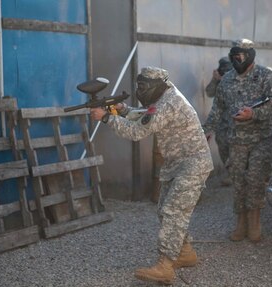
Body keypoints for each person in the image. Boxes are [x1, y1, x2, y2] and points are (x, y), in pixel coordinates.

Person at [90, 66, 213, 285]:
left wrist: (106, 118)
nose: (140, 90)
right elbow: (146, 115)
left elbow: (137, 131)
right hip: (177, 163)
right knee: (165, 210)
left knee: (173, 210)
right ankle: (184, 252)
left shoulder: (168, 103)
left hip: (193, 164)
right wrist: (122, 108)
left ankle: (165, 266)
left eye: (143, 86)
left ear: (156, 86)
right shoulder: (165, 96)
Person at [203, 38, 272, 243]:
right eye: (234, 56)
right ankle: (241, 223)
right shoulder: (227, 80)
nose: (238, 60)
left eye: (242, 56)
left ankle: (254, 223)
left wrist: (253, 114)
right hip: (236, 139)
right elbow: (218, 108)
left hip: (260, 138)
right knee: (238, 180)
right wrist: (207, 129)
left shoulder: (266, 76)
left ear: (251, 55)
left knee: (255, 179)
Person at [205, 57, 234, 186]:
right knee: (222, 146)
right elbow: (209, 92)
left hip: (235, 120)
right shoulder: (218, 77)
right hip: (221, 121)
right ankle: (230, 173)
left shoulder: (237, 78)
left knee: (235, 148)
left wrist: (225, 80)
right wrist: (215, 80)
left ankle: (237, 174)